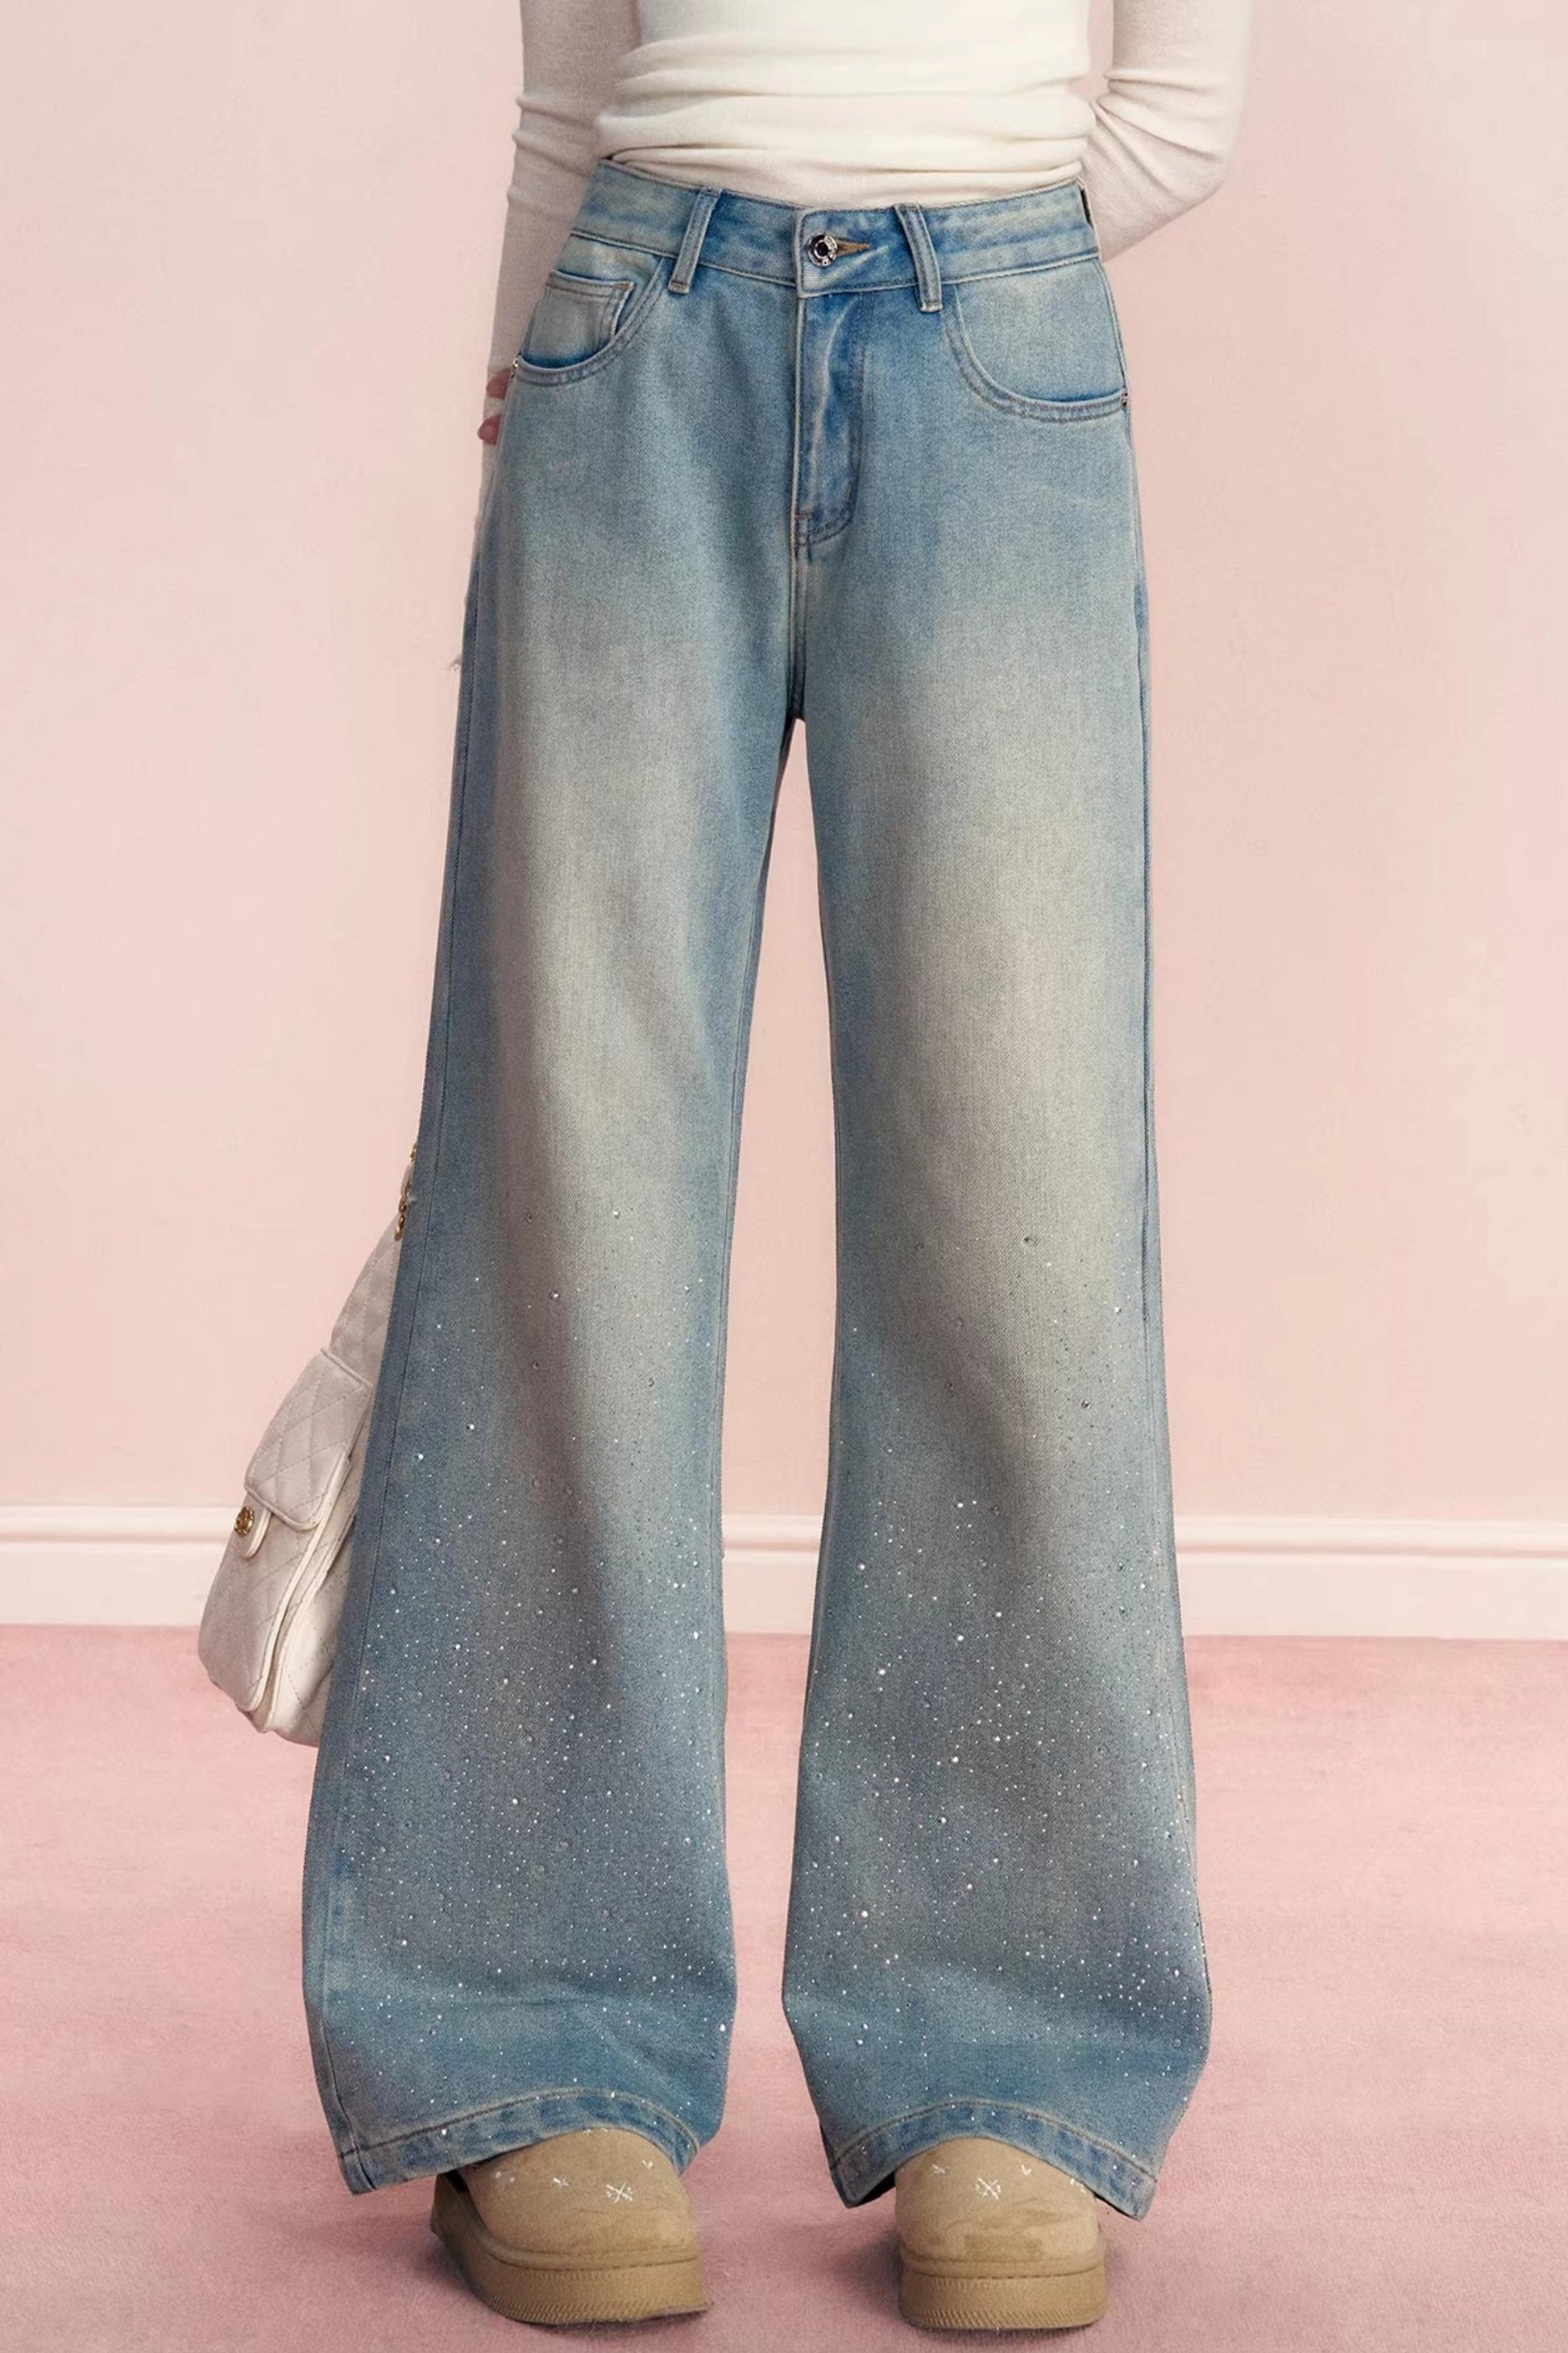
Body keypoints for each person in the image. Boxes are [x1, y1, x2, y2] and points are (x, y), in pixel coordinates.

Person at [301, 0, 1251, 2330]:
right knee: (572, 1206)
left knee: (1021, 1235)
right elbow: (566, 84)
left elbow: (1177, 110)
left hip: (1000, 361)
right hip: (633, 346)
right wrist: (541, 388)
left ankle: (1004, 2056)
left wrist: (940, 257)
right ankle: (526, 2034)